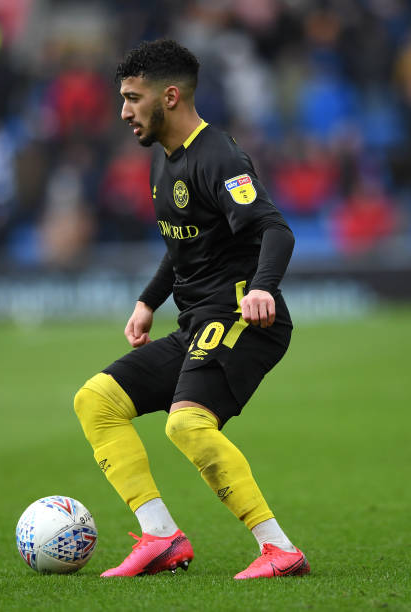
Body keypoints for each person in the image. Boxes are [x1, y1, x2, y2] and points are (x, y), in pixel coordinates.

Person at [74, 39, 310, 580]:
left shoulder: (219, 155)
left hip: (244, 320)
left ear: (171, 96)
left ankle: (280, 550)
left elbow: (274, 229)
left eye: (133, 98)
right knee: (96, 402)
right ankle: (160, 537)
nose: (123, 111)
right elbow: (185, 246)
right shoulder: (167, 164)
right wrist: (148, 300)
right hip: (197, 323)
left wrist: (263, 289)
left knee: (186, 425)